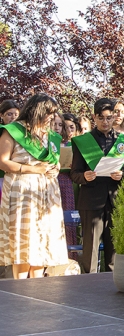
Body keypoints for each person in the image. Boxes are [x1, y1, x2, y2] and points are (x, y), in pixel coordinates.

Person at [0, 94, 69, 278]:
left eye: (54, 113)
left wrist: (56, 167)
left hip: (47, 193)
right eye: (48, 113)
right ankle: (19, 287)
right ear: (36, 110)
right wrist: (32, 169)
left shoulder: (51, 136)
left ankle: (37, 289)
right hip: (22, 190)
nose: (52, 118)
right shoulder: (13, 131)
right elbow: (2, 161)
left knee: (42, 241)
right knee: (25, 242)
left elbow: (54, 161)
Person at [70, 98, 124, 272]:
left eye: (108, 118)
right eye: (101, 118)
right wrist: (84, 176)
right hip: (91, 200)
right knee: (90, 248)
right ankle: (89, 285)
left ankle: (112, 283)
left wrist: (123, 175)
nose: (105, 122)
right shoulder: (83, 141)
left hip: (115, 199)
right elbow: (74, 173)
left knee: (114, 248)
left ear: (115, 117)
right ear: (94, 117)